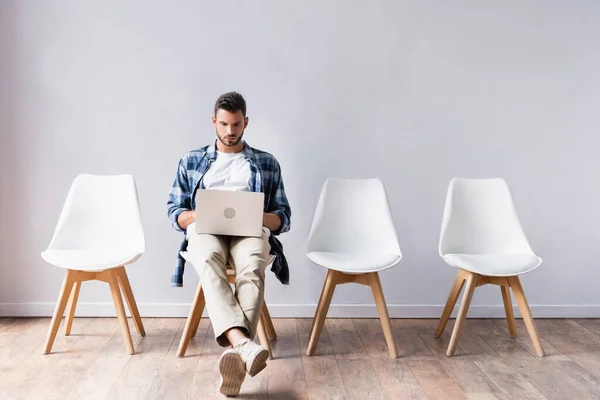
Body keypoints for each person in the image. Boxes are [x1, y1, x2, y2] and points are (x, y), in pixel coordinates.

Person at [167, 91, 291, 397]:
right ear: (214, 122)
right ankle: (245, 345)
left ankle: (237, 349)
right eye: (223, 124)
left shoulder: (266, 162)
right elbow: (174, 211)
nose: (230, 131)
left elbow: (283, 218)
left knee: (252, 264)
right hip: (206, 230)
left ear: (246, 122)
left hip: (250, 231)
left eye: (236, 124)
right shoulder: (192, 160)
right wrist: (199, 215)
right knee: (207, 258)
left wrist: (257, 215)